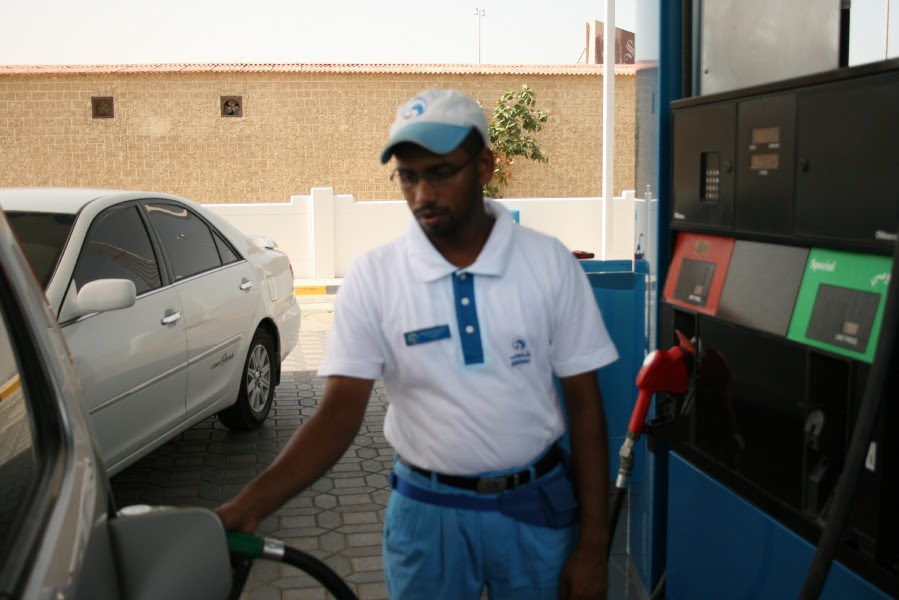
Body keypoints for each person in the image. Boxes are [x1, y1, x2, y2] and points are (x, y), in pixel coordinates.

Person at [216, 88, 619, 600]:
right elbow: (339, 415)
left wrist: (592, 544)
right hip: (427, 519)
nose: (422, 193)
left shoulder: (548, 263)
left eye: (441, 172)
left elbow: (586, 409)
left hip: (534, 511)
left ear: (485, 166)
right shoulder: (375, 277)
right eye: (408, 176)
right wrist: (250, 505)